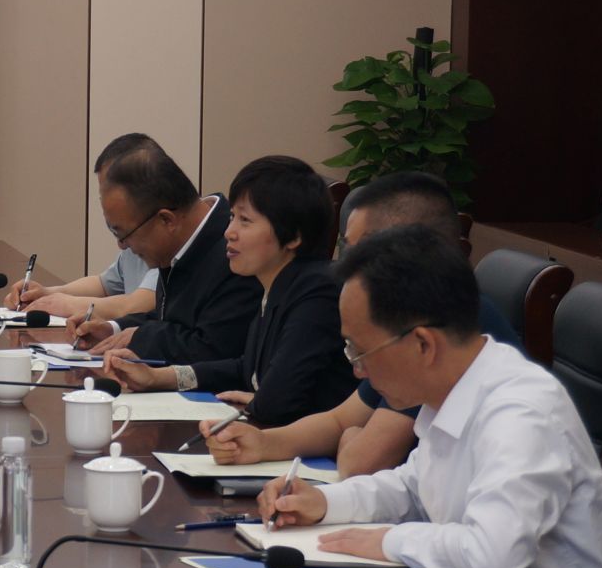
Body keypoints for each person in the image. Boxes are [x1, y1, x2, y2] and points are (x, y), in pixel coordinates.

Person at [259, 226, 602, 568]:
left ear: (424, 343)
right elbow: (413, 487)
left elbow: (492, 558)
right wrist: (325, 501)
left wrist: (388, 540)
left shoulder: (521, 411)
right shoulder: (453, 389)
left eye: (359, 351)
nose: (357, 370)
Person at [204, 171, 520, 474]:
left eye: (356, 252)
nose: (343, 267)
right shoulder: (407, 312)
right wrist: (261, 443)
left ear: (405, 252)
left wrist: (351, 438)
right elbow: (341, 421)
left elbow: (362, 463)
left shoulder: (444, 318)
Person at [105, 155, 356, 427]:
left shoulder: (318, 292)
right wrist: (158, 377)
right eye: (233, 216)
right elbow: (245, 368)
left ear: (294, 236)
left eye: (245, 220)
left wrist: (259, 401)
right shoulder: (278, 286)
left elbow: (277, 400)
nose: (229, 232)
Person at [71, 136, 261, 365]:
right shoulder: (183, 244)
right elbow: (168, 320)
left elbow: (214, 348)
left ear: (166, 220)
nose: (122, 245)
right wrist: (113, 329)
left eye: (123, 233)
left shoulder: (235, 252)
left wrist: (140, 338)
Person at [1, 133, 159, 325]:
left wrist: (67, 304)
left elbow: (134, 307)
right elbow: (104, 285)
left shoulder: (164, 245)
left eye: (110, 192)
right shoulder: (132, 236)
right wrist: (47, 293)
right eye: (102, 193)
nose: (105, 203)